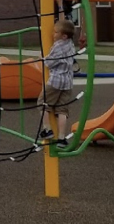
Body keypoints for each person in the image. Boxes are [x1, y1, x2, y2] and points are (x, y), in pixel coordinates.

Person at [37, 19, 78, 147]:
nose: (53, 34)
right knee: (62, 110)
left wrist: (42, 57)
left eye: (55, 32)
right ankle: (61, 138)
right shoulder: (71, 44)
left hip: (56, 81)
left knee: (42, 103)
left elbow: (49, 63)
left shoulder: (58, 46)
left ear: (63, 36)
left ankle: (47, 129)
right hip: (67, 83)